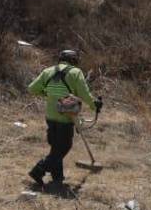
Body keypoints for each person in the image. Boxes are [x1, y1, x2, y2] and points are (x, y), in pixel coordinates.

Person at [27, 49, 101, 186]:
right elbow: (84, 93)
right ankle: (39, 169)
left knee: (56, 147)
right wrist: (94, 105)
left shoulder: (48, 71)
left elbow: (32, 88)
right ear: (74, 60)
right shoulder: (75, 72)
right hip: (66, 117)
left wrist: (48, 95)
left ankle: (58, 178)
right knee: (65, 146)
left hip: (50, 115)